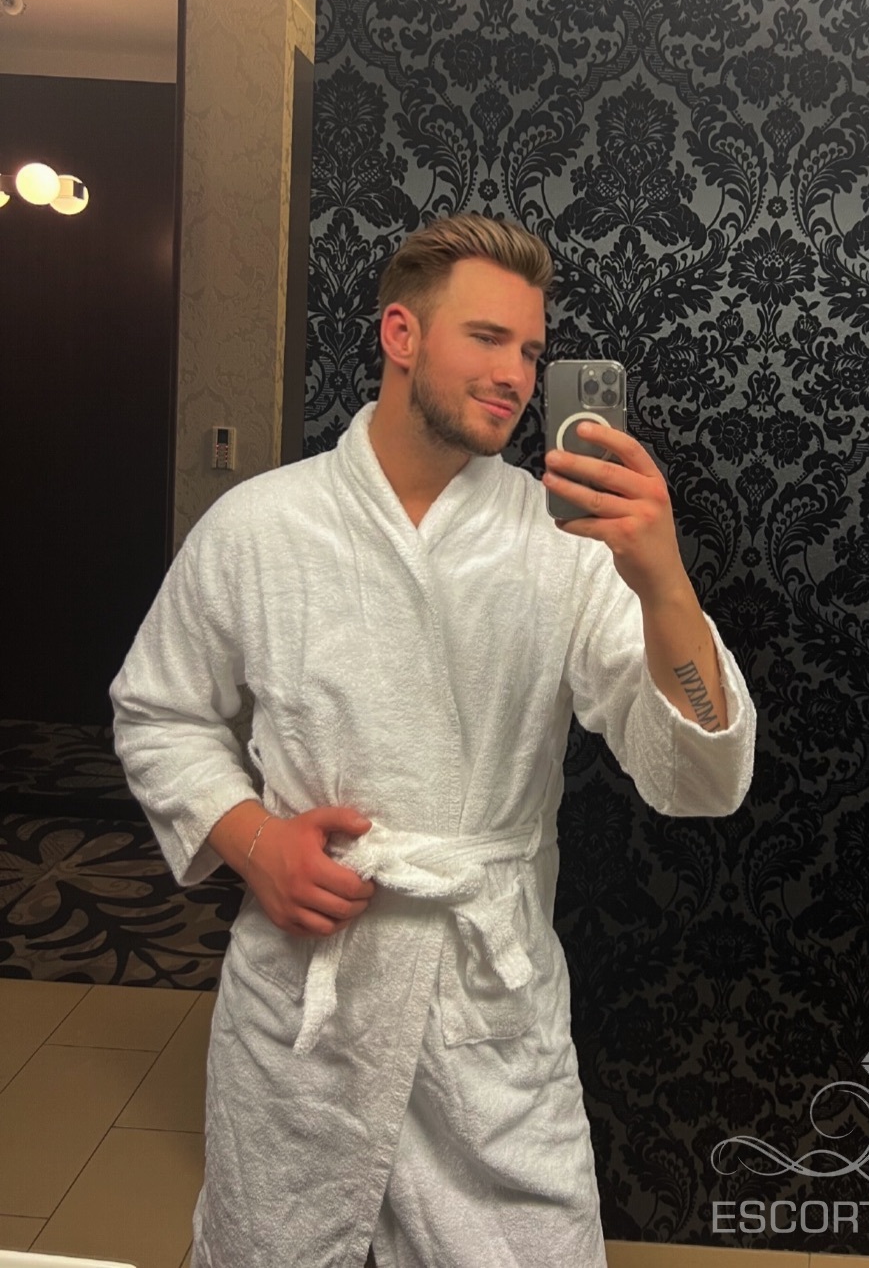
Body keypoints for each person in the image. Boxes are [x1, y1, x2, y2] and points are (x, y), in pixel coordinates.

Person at [111, 213, 757, 1268]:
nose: (516, 375)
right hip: (311, 997)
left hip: (487, 1004)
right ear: (401, 334)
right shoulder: (260, 528)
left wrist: (664, 583)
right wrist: (253, 839)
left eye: (533, 352)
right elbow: (158, 709)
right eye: (488, 338)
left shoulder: (565, 543)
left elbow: (697, 776)